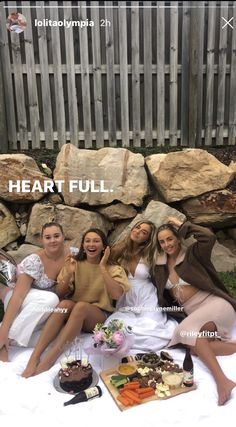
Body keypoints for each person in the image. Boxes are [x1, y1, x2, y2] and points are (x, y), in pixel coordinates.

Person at [22, 228, 130, 377]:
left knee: (80, 307)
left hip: (98, 316)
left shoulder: (113, 268)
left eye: (96, 241)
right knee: (64, 304)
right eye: (88, 241)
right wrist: (69, 273)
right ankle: (35, 356)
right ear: (83, 245)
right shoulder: (76, 263)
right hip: (75, 312)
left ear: (104, 247)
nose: (91, 244)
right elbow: (60, 293)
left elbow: (117, 295)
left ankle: (49, 358)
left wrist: (103, 267)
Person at [154, 216, 236, 406]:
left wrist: (183, 225)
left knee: (184, 332)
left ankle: (222, 381)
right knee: (196, 345)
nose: (167, 244)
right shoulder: (159, 267)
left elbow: (208, 237)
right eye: (162, 241)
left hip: (216, 305)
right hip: (195, 313)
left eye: (170, 239)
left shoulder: (193, 254)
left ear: (178, 238)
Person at [0, 222, 69, 362]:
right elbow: (18, 296)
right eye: (48, 237)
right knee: (52, 299)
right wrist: (5, 330)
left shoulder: (72, 255)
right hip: (21, 303)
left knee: (56, 334)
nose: (53, 240)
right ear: (42, 240)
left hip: (41, 311)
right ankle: (4, 340)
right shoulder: (34, 261)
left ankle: (13, 338)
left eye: (56, 236)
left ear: (63, 237)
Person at [107, 221, 177, 351]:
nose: (138, 232)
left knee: (152, 328)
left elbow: (173, 253)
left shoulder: (152, 253)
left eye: (144, 232)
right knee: (116, 327)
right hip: (126, 297)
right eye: (137, 227)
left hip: (147, 296)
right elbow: (103, 263)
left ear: (148, 238)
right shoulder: (118, 249)